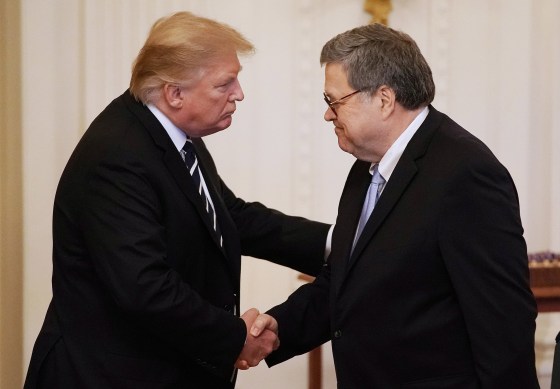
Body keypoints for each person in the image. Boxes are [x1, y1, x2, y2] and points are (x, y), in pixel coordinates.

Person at [24, 11, 330, 389]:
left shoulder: (173, 136)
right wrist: (236, 338)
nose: (239, 93)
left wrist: (339, 242)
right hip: (109, 375)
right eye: (225, 83)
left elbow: (229, 216)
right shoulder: (117, 155)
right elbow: (145, 288)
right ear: (175, 93)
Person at [256, 23, 539, 388]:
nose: (328, 114)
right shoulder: (366, 167)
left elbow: (503, 320)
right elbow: (346, 280)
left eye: (334, 101)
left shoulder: (465, 173)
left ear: (385, 100)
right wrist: (280, 327)